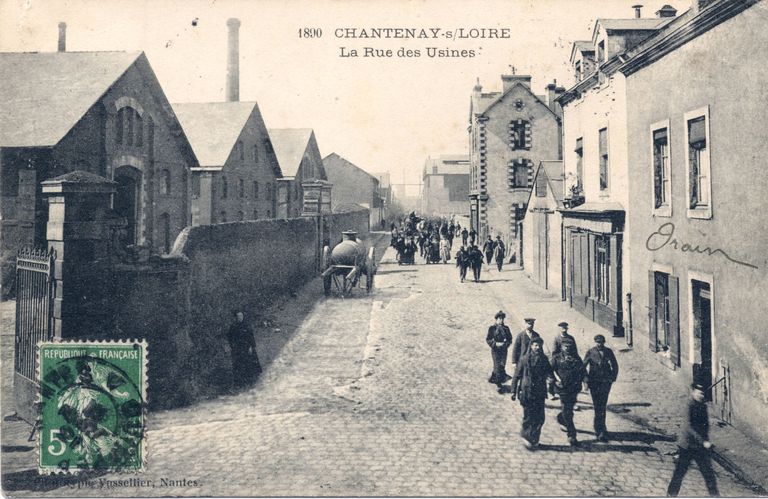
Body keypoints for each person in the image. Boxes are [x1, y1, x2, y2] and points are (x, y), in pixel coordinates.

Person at [666, 382, 720, 497]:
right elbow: (689, 427)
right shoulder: (689, 405)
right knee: (679, 473)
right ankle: (671, 495)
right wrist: (703, 441)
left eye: (703, 394)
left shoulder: (703, 406)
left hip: (700, 447)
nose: (701, 396)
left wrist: (706, 440)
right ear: (693, 392)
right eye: (699, 393)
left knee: (709, 474)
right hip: (687, 446)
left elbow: (705, 426)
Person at [510, 336, 553, 449]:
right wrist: (513, 391)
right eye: (535, 345)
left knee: (540, 417)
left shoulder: (544, 359)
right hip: (527, 392)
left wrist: (551, 379)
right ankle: (527, 436)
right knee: (528, 416)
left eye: (539, 345)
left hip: (539, 392)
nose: (537, 347)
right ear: (531, 346)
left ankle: (534, 438)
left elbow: (549, 372)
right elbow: (517, 375)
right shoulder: (524, 359)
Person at [583, 334, 619, 442]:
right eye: (598, 342)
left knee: (602, 406)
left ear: (604, 342)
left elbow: (615, 366)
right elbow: (583, 367)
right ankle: (599, 430)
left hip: (605, 383)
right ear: (595, 342)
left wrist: (612, 378)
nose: (599, 344)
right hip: (594, 383)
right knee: (597, 406)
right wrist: (586, 380)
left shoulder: (609, 352)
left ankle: (602, 429)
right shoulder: (590, 352)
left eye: (601, 342)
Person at [550, 342, 586, 446]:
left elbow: (582, 370)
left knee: (568, 410)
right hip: (563, 389)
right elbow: (548, 370)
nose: (567, 349)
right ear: (561, 348)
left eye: (569, 347)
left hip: (574, 388)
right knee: (568, 411)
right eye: (565, 347)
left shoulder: (576, 358)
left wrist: (585, 381)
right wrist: (554, 380)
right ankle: (572, 435)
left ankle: (561, 418)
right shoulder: (557, 358)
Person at [227, 311, 262, 389]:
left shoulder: (246, 325)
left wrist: (251, 346)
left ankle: (251, 380)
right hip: (238, 349)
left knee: (249, 363)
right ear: (235, 317)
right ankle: (240, 383)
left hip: (247, 347)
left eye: (241, 316)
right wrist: (232, 346)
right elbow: (229, 337)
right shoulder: (233, 327)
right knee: (239, 365)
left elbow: (251, 336)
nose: (240, 318)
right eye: (238, 316)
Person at [486, 311, 513, 392]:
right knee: (497, 365)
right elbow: (488, 339)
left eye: (502, 319)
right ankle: (499, 384)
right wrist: (495, 344)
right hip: (495, 350)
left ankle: (493, 376)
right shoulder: (492, 328)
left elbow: (510, 339)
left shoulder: (506, 329)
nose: (501, 320)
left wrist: (505, 345)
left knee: (502, 365)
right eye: (499, 319)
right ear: (496, 319)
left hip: (504, 350)